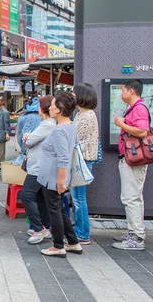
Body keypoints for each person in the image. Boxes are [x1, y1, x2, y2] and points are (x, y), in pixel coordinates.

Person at [38, 91, 82, 257]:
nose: (50, 106)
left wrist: (60, 181)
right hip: (58, 176)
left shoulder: (59, 131)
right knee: (60, 209)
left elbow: (64, 157)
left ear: (60, 109)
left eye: (54, 103)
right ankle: (72, 242)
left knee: (54, 211)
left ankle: (58, 245)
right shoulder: (70, 126)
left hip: (53, 177)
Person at [112, 79, 150, 251]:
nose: (121, 94)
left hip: (133, 159)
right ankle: (133, 231)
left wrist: (121, 124)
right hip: (129, 157)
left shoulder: (139, 109)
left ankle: (137, 237)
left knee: (131, 197)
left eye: (124, 90)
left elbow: (143, 131)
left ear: (132, 91)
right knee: (132, 196)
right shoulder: (134, 108)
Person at [21, 95, 55, 244]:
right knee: (41, 198)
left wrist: (27, 137)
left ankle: (38, 228)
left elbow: (29, 142)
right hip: (44, 166)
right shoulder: (50, 123)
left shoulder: (47, 124)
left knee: (26, 195)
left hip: (38, 167)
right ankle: (45, 227)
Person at [72, 83, 99, 245]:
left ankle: (82, 233)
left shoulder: (87, 115)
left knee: (79, 198)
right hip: (81, 159)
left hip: (83, 160)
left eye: (74, 93)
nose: (72, 96)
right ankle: (80, 229)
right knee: (77, 198)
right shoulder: (80, 114)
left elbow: (79, 141)